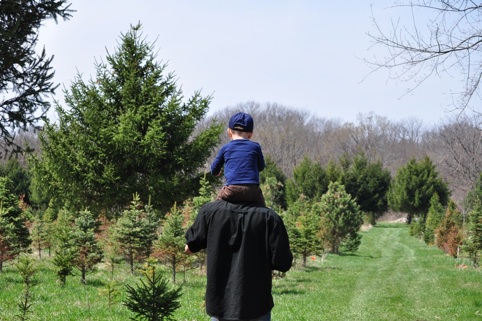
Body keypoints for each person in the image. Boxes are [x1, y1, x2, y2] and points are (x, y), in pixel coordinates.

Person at [185, 200, 293, 321]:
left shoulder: (210, 211)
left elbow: (189, 248)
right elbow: (283, 263)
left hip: (221, 307)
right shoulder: (270, 218)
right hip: (257, 306)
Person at [211, 112, 266, 206]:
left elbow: (213, 169)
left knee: (216, 207)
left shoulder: (225, 148)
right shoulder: (255, 147)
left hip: (231, 190)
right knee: (263, 209)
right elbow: (261, 167)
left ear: (229, 132)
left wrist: (217, 172)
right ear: (250, 134)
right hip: (252, 190)